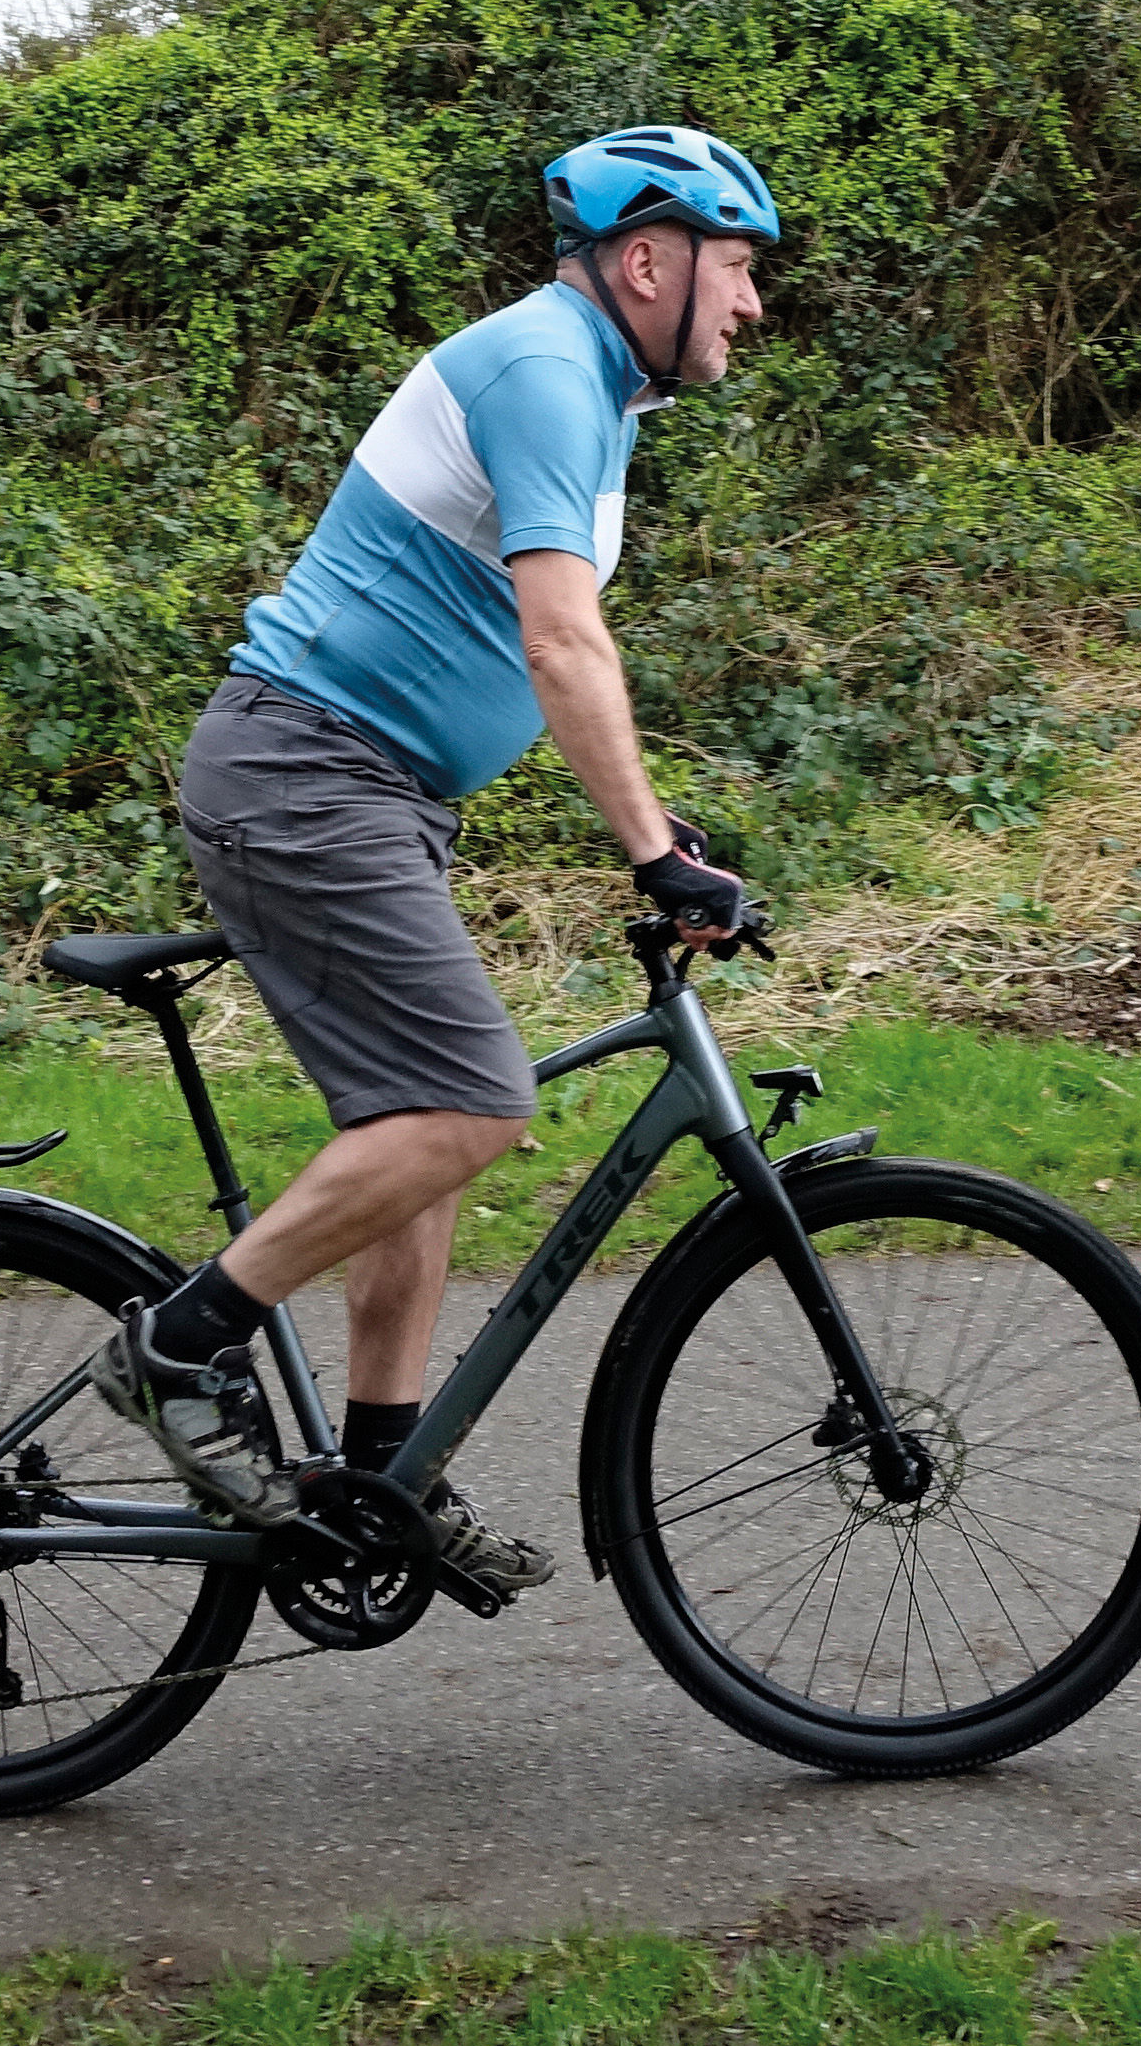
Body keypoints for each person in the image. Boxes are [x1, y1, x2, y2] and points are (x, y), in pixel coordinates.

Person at [93, 126, 781, 1588]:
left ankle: (374, 1484)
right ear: (647, 260)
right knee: (470, 1103)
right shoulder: (546, 372)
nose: (752, 304)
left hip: (365, 789)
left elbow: (543, 642)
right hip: (305, 777)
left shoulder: (590, 390)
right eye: (737, 267)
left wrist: (659, 830)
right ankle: (176, 1347)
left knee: (423, 1131)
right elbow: (560, 640)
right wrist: (653, 853)